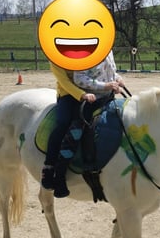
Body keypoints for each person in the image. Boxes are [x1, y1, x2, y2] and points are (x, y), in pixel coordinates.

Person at [43, 51, 124, 198]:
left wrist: (117, 80)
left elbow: (109, 71)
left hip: (100, 95)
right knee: (66, 124)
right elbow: (67, 81)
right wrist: (83, 94)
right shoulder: (62, 56)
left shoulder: (105, 48)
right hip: (71, 94)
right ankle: (53, 169)